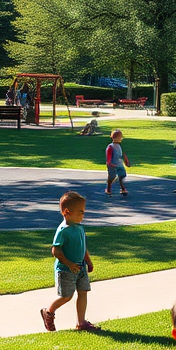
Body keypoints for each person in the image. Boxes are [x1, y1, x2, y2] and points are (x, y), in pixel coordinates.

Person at [40, 190, 101, 333]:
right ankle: (48, 312)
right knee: (66, 296)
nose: (83, 215)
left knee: (83, 292)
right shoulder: (63, 230)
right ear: (67, 212)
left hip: (81, 268)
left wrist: (88, 261)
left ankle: (81, 322)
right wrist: (69, 264)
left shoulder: (79, 228)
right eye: (80, 212)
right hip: (66, 270)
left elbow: (83, 247)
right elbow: (56, 251)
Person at [106, 129, 130, 195]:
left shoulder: (119, 146)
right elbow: (108, 156)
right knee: (112, 177)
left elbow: (123, 154)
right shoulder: (110, 146)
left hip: (119, 164)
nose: (121, 139)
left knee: (122, 175)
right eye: (120, 137)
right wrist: (109, 163)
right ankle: (108, 189)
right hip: (112, 165)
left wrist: (126, 161)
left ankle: (122, 188)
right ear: (114, 138)